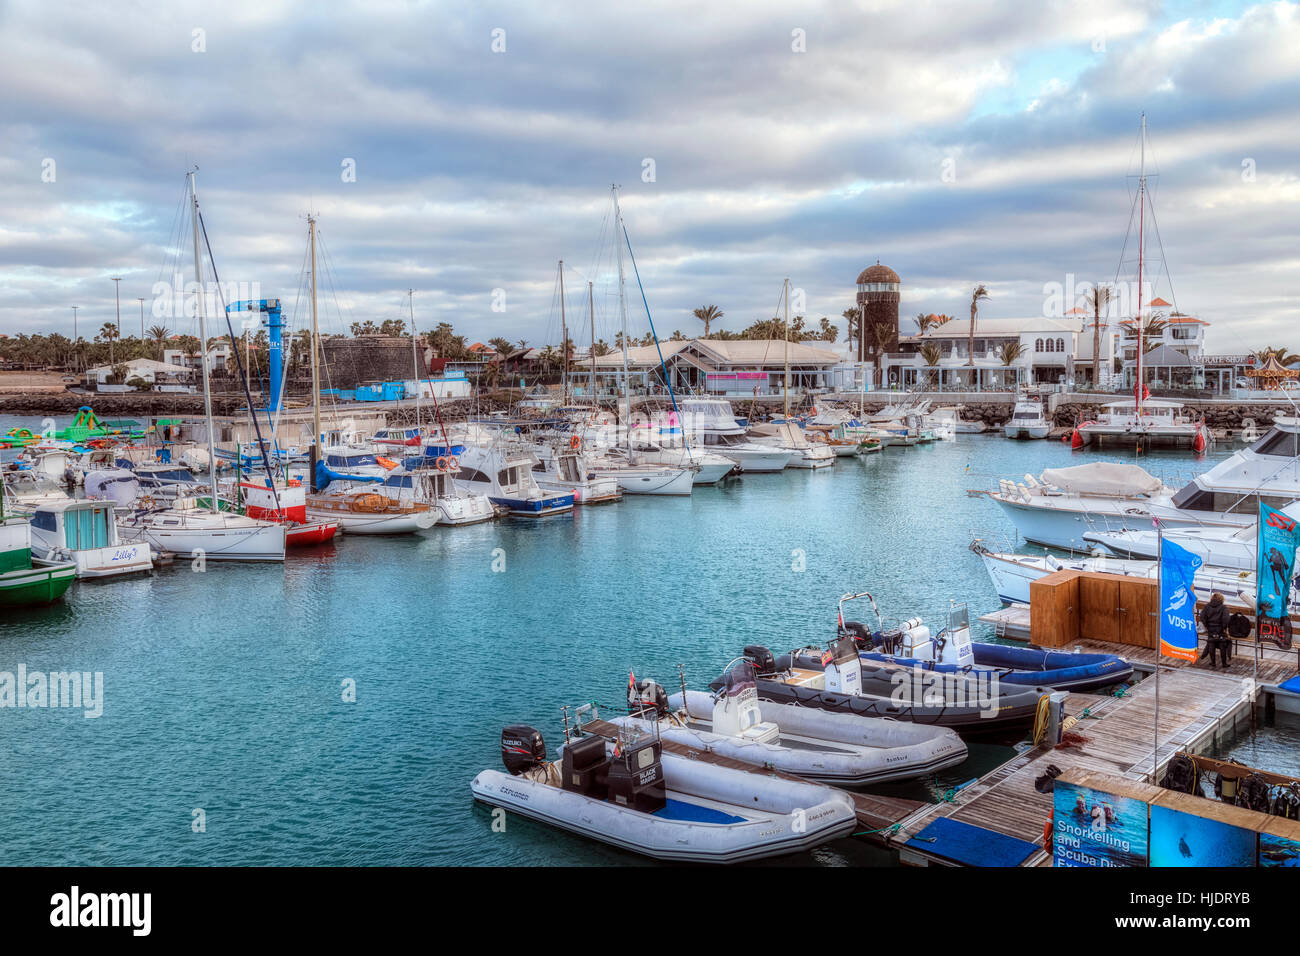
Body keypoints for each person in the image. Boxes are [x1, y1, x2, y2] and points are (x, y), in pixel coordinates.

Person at [1199, 592, 1231, 669]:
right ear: (1222, 599)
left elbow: (1202, 617)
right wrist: (1224, 628)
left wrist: (1207, 625)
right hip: (1220, 629)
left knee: (1211, 644)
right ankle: (1224, 663)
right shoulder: (1224, 608)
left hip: (1210, 629)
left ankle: (1213, 663)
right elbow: (1226, 619)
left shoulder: (1207, 606)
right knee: (1222, 645)